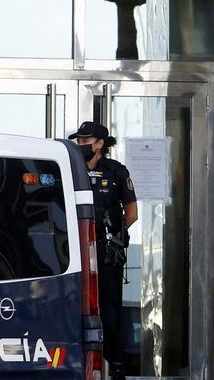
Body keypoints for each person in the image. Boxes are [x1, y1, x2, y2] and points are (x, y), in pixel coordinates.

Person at [70, 121, 138, 379]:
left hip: (106, 252)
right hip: (74, 253)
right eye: (79, 141)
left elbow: (131, 213)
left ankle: (117, 366)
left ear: (100, 144)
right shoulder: (69, 168)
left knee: (109, 311)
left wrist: (114, 236)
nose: (81, 145)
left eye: (86, 141)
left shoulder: (116, 171)